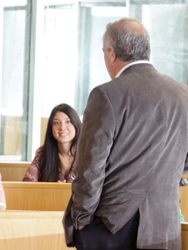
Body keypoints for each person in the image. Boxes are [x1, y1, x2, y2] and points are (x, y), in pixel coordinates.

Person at [63, 18, 188, 250]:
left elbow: (90, 167)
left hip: (112, 225)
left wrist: (81, 216)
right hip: (165, 226)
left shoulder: (106, 95)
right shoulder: (183, 95)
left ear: (111, 53)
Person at [23, 103, 81, 183]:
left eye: (68, 122)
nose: (62, 127)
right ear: (51, 127)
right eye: (57, 123)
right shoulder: (42, 154)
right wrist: (53, 190)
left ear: (76, 125)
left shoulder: (87, 155)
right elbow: (28, 185)